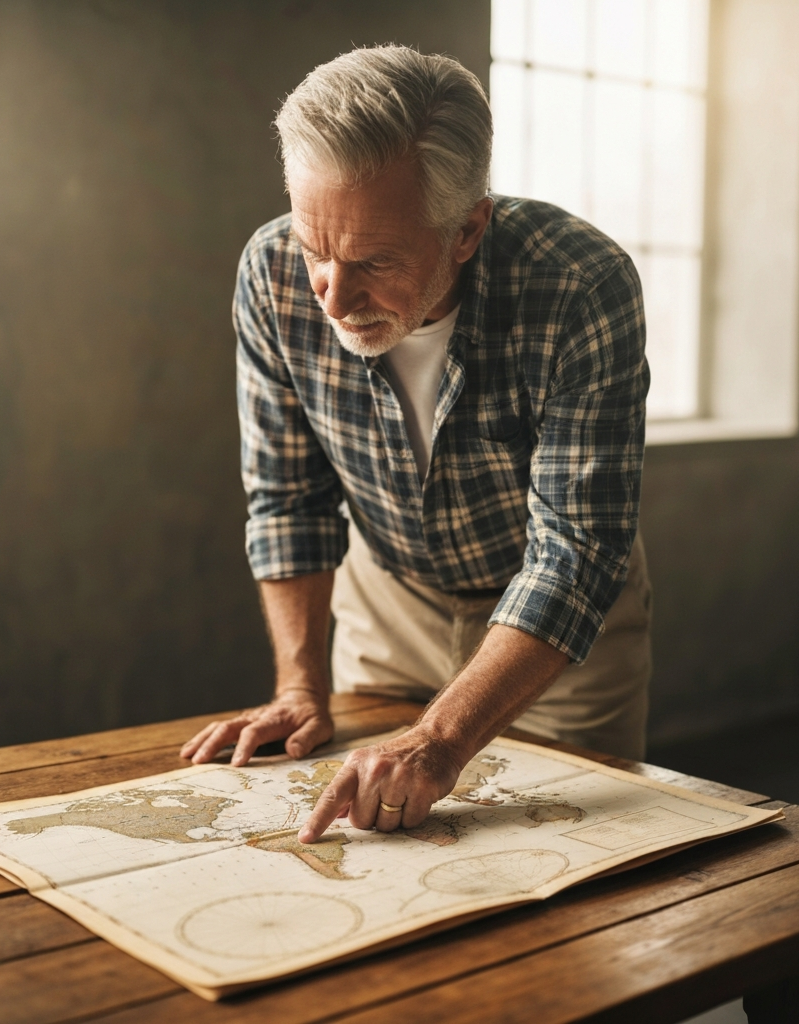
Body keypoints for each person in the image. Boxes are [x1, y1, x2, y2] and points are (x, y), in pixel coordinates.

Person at [180, 45, 652, 845]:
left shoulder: (582, 284)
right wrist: (300, 685)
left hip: (560, 627)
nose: (333, 295)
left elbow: (574, 550)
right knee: (372, 850)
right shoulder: (270, 273)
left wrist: (440, 740)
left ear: (468, 229)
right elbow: (289, 498)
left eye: (374, 261)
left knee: (566, 875)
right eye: (313, 248)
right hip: (387, 599)